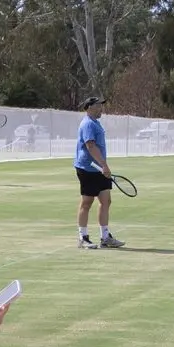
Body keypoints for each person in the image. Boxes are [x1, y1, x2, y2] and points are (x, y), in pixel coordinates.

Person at [74, 97, 125, 249]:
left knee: (106, 201)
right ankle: (83, 238)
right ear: (89, 107)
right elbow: (90, 146)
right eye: (97, 106)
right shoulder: (88, 124)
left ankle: (105, 237)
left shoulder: (96, 122)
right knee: (87, 202)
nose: (101, 108)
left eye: (101, 106)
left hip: (99, 168)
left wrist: (103, 166)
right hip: (88, 168)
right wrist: (104, 165)